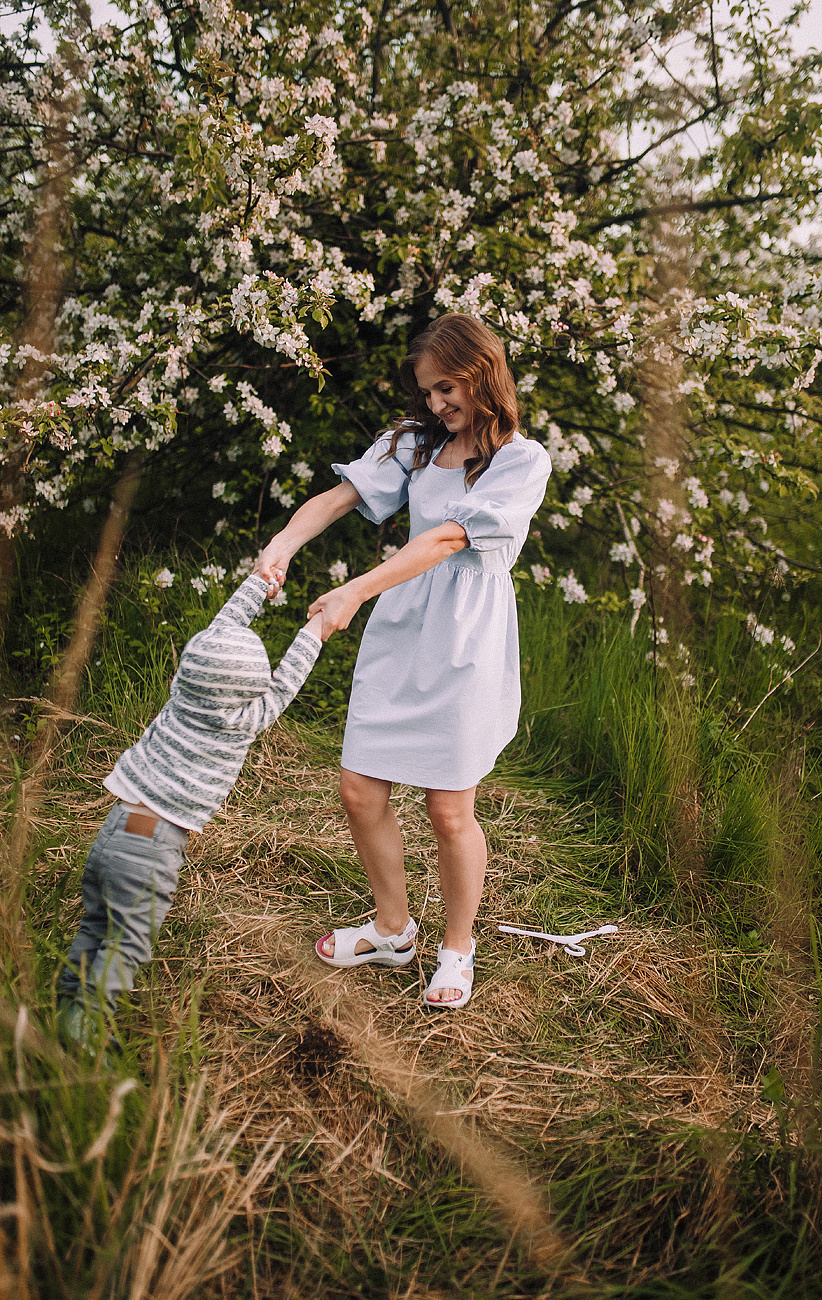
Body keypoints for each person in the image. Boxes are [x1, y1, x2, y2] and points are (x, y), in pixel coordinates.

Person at [255, 313, 552, 1009]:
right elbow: (339, 497)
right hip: (401, 629)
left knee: (449, 810)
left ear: (483, 374)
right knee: (360, 790)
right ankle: (393, 930)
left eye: (446, 389)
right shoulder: (413, 445)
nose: (436, 405)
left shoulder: (520, 461)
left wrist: (354, 590)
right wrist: (283, 544)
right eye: (427, 393)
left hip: (464, 641)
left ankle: (457, 947)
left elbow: (450, 539)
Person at [58, 573, 325, 1051]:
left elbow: (224, 624)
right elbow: (286, 683)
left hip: (115, 826)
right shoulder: (240, 720)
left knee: (96, 925)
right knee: (130, 940)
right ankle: (89, 1023)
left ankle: (68, 1005)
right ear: (249, 689)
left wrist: (260, 582)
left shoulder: (181, 690)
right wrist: (316, 630)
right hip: (153, 848)